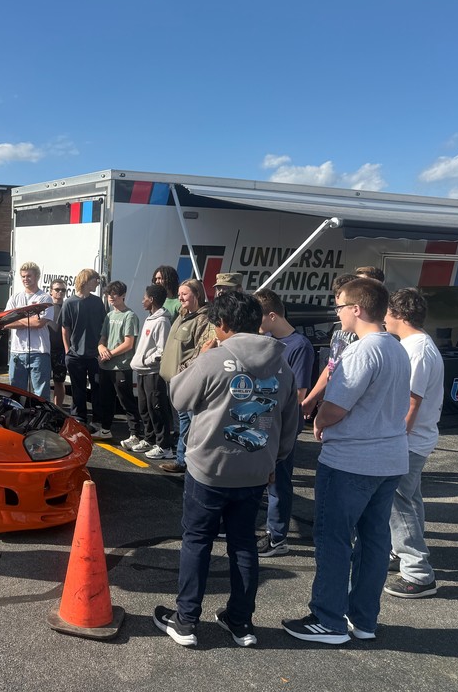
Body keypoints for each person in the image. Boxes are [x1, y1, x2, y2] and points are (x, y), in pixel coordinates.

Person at [154, 292, 298, 648]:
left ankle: (186, 620)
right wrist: (274, 461)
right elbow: (289, 422)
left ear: (222, 324)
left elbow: (179, 397)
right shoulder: (281, 365)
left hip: (210, 469)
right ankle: (241, 621)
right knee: (244, 544)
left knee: (197, 540)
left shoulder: (214, 358)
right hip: (256, 469)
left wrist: (199, 358)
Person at [283, 277, 410, 644]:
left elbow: (336, 407)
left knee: (334, 539)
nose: (337, 313)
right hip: (389, 459)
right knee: (374, 542)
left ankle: (328, 620)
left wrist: (319, 420)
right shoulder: (397, 348)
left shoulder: (361, 352)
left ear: (356, 308)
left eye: (339, 306)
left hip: (351, 460)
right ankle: (364, 620)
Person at [382, 288, 444, 599]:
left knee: (398, 503)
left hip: (409, 440)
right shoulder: (417, 344)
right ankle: (402, 554)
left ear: (398, 315)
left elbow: (411, 401)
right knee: (409, 498)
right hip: (415, 438)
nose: (383, 317)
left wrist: (396, 439)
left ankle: (418, 573)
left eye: (387, 311)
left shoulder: (416, 349)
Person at [253, 288, 315, 557]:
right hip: (262, 421)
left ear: (272, 316)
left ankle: (277, 537)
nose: (256, 323)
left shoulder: (299, 346)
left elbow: (299, 394)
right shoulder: (266, 340)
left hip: (281, 426)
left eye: (259, 317)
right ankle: (268, 530)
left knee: (278, 483)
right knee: (261, 479)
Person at [159, 279, 212, 473]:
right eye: (179, 294)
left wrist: (184, 371)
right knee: (184, 423)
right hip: (174, 381)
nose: (180, 298)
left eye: (184, 294)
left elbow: (202, 351)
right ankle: (181, 461)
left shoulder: (203, 319)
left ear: (197, 295)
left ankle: (192, 465)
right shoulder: (182, 315)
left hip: (187, 381)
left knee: (192, 423)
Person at [300, 274, 361, 419]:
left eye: (340, 307)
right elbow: (331, 365)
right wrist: (315, 398)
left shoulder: (364, 338)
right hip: (331, 400)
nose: (338, 313)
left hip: (349, 408)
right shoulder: (341, 328)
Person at [127, 283, 174, 459]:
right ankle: (149, 439)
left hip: (153, 373)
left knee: (157, 409)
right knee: (145, 408)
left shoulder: (162, 321)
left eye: (144, 298)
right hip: (142, 372)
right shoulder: (150, 318)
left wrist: (146, 361)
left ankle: (165, 446)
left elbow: (162, 350)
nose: (142, 301)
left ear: (151, 300)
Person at [96, 280, 143, 441]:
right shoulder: (109, 315)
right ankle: (105, 430)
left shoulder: (130, 316)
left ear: (123, 295)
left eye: (114, 294)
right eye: (109, 294)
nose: (111, 297)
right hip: (106, 366)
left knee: (126, 401)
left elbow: (129, 344)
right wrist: (101, 348)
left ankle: (135, 434)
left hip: (121, 367)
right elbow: (103, 337)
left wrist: (109, 354)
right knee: (106, 400)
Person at [61, 268, 106, 428]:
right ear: (86, 281)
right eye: (95, 280)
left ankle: (98, 419)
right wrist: (67, 351)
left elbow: (104, 327)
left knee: (97, 388)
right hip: (75, 355)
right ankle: (79, 418)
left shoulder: (98, 302)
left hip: (95, 355)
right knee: (78, 389)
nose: (98, 283)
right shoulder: (69, 303)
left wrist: (102, 347)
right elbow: (65, 328)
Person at [3, 262, 54, 398]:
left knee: (40, 395)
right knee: (16, 393)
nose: (26, 279)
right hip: (17, 353)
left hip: (39, 352)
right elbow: (5, 322)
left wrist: (18, 319)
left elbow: (39, 323)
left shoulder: (45, 298)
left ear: (37, 276)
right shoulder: (15, 298)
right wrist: (30, 319)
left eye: (29, 276)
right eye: (23, 276)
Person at [47, 279, 69, 408]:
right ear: (51, 291)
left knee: (59, 382)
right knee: (42, 382)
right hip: (44, 350)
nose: (60, 292)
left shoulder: (67, 307)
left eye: (63, 290)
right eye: (57, 289)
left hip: (61, 351)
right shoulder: (45, 307)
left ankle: (57, 409)